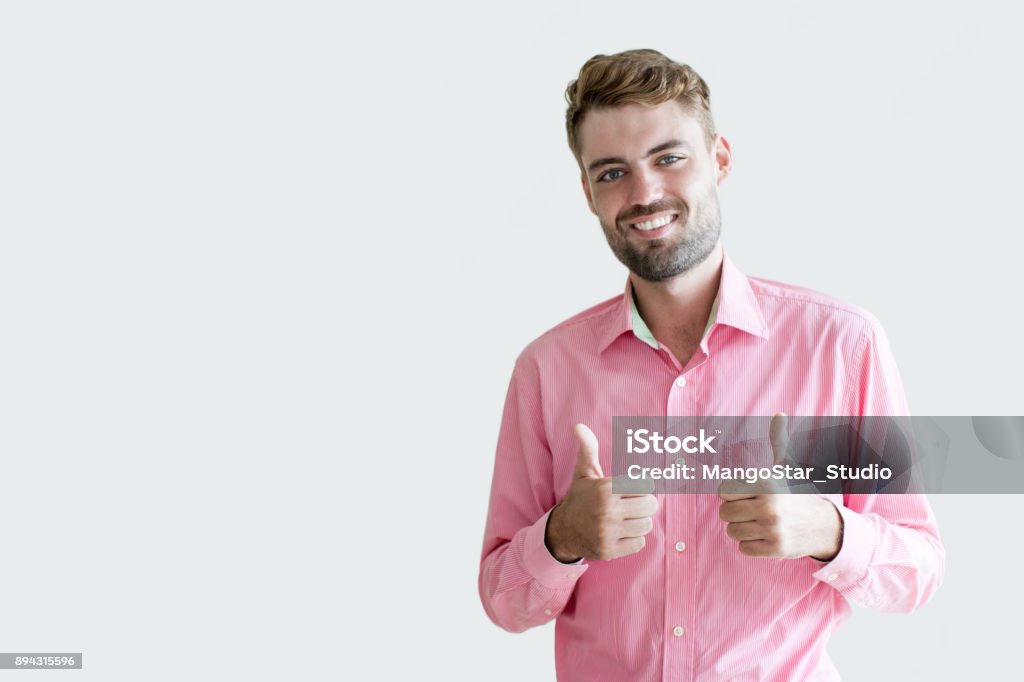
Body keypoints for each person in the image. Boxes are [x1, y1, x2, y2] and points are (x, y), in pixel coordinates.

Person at [478, 49, 944, 681]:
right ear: (588, 193)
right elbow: (503, 602)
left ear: (719, 159)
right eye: (612, 172)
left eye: (669, 158)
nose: (645, 193)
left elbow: (918, 569)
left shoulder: (839, 347)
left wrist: (827, 529)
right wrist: (562, 538)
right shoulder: (547, 370)